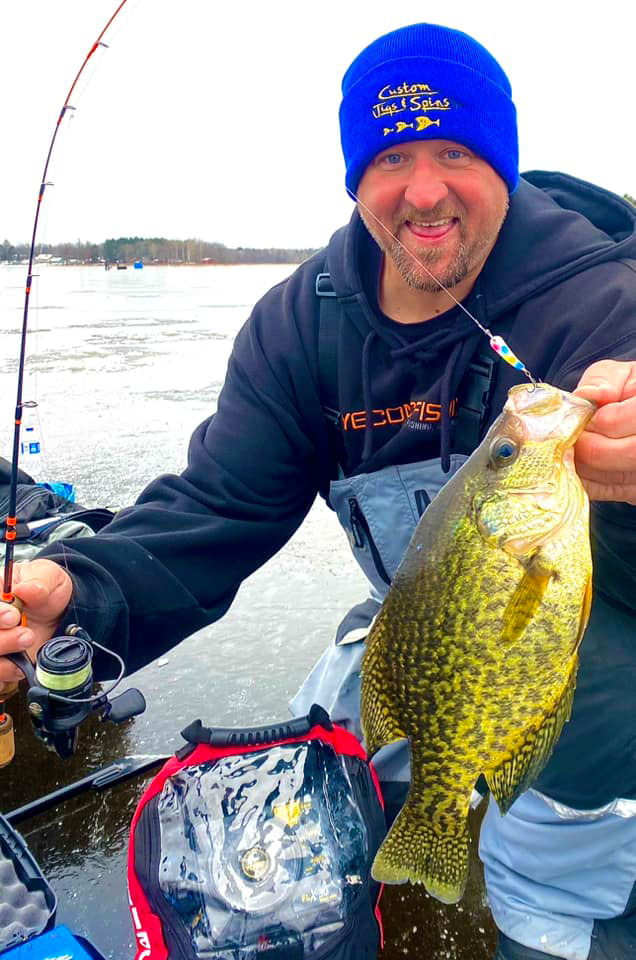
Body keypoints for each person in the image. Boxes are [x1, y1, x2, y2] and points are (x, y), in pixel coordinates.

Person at [2, 21, 636, 960]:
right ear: (356, 176)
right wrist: (79, 591)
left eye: (455, 151)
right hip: (426, 622)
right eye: (392, 157)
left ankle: (569, 912)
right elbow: (218, 507)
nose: (425, 190)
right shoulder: (304, 323)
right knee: (344, 710)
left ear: (501, 160)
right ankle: (423, 837)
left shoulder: (605, 300)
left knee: (577, 786)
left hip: (598, 633)